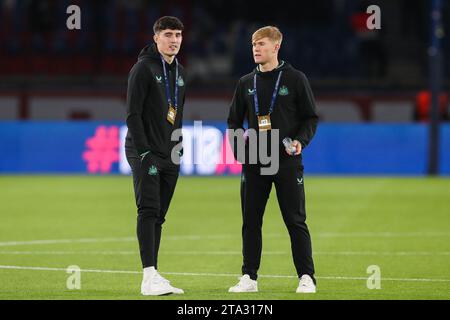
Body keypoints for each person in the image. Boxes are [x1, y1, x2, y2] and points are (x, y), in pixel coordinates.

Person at [227, 26, 319, 293]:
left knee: (295, 219)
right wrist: (240, 149)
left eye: (262, 43)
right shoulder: (245, 83)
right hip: (254, 159)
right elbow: (234, 121)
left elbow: (310, 117)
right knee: (251, 221)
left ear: (276, 46)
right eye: (254, 44)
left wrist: (300, 141)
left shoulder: (295, 78)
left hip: (286, 159)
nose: (256, 48)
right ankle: (249, 277)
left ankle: (306, 276)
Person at [125, 16, 186, 296]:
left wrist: (178, 146)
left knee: (159, 215)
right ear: (156, 38)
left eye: (178, 35)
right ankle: (148, 277)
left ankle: (154, 275)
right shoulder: (143, 69)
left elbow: (178, 116)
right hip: (145, 151)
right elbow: (133, 114)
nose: (174, 40)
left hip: (169, 152)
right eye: (169, 34)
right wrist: (145, 151)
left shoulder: (180, 72)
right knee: (148, 210)